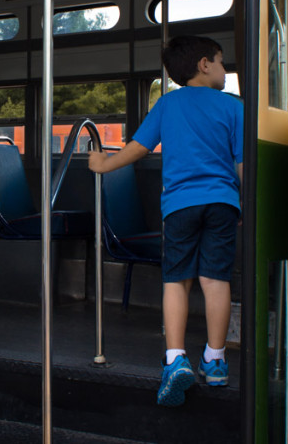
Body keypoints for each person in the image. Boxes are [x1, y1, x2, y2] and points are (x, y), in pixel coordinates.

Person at [88, 34, 243, 407]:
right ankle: (216, 360)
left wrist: (104, 164)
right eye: (221, 62)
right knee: (215, 279)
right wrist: (242, 204)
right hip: (223, 202)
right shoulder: (234, 107)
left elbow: (139, 148)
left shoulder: (168, 105)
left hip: (180, 205)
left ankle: (176, 359)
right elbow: (241, 164)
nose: (223, 70)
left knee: (177, 280)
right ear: (205, 65)